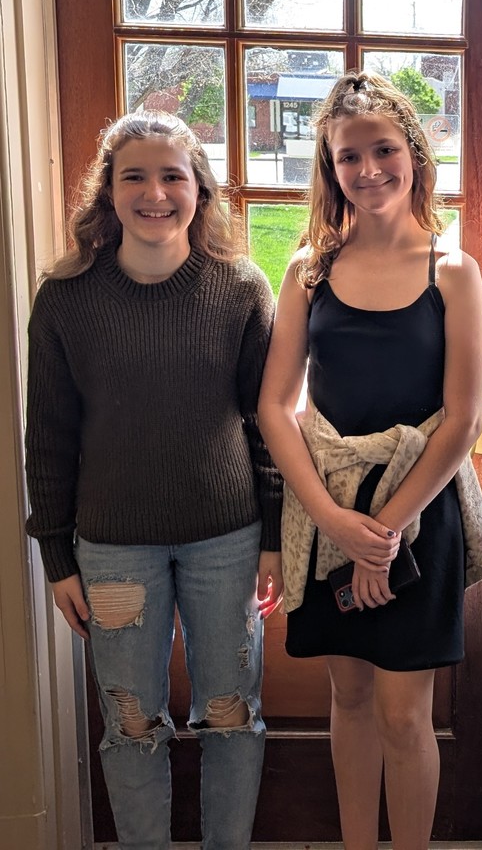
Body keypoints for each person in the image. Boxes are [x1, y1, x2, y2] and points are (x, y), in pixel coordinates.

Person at [24, 110, 283, 849]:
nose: (155, 193)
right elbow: (48, 437)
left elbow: (267, 426)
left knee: (232, 716)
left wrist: (272, 538)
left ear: (199, 189)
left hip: (228, 544)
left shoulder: (242, 288)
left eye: (173, 176)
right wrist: (57, 556)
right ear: (108, 191)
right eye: (134, 176)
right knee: (132, 724)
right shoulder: (66, 298)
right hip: (112, 551)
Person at [258, 69, 482, 850]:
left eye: (383, 150)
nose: (368, 170)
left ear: (414, 154)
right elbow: (275, 407)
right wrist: (334, 521)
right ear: (330, 169)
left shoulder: (452, 272)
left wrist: (384, 532)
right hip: (330, 511)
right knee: (351, 697)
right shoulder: (310, 271)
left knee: (403, 711)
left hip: (417, 516)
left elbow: (463, 419)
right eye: (348, 157)